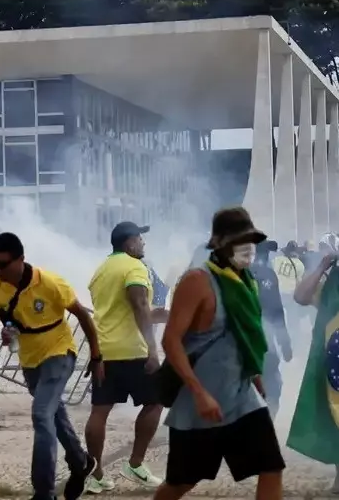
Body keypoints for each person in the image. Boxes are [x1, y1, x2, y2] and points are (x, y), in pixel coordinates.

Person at [155, 207, 283, 500]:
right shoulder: (197, 281)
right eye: (240, 241)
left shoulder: (245, 281)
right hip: (199, 407)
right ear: (220, 243)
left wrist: (254, 373)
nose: (248, 247)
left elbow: (244, 335)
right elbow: (171, 341)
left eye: (251, 240)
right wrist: (199, 392)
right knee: (180, 483)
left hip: (242, 398)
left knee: (271, 467)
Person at [0, 232, 98, 500]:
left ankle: (43, 491)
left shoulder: (50, 283)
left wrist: (96, 356)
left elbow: (83, 316)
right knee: (53, 413)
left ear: (20, 260)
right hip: (29, 359)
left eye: (3, 264)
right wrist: (8, 332)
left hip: (60, 352)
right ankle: (81, 461)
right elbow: (7, 316)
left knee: (41, 414)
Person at [85, 222, 166, 493]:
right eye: (140, 239)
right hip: (133, 351)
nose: (143, 243)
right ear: (129, 243)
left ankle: (95, 474)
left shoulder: (101, 270)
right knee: (155, 402)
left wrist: (169, 315)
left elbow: (123, 310)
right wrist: (153, 350)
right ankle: (135, 463)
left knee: (99, 411)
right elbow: (139, 306)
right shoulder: (134, 267)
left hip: (104, 352)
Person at [288, 231, 339, 494]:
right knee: (335, 415)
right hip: (333, 360)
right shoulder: (332, 280)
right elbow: (300, 297)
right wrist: (322, 266)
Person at [249, 240, 291, 418]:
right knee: (273, 386)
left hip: (240, 339)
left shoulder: (238, 272)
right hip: (263, 341)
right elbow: (276, 309)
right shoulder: (268, 274)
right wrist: (285, 343)